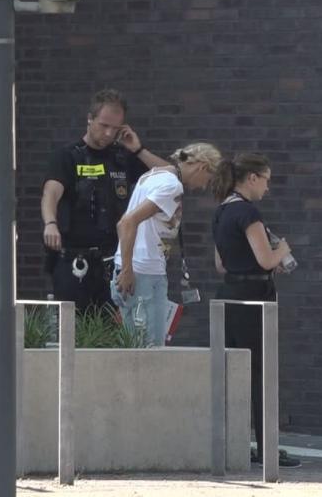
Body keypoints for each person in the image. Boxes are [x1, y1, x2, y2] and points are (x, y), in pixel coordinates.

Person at [40, 89, 169, 317]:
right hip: (74, 258)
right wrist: (50, 222)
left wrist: (138, 150)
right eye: (103, 125)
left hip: (112, 259)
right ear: (89, 119)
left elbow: (169, 176)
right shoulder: (68, 156)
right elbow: (51, 192)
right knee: (74, 326)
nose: (109, 133)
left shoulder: (123, 157)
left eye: (116, 128)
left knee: (114, 327)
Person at [211, 154, 301, 469]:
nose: (267, 187)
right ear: (251, 178)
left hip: (230, 296)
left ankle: (235, 445)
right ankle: (266, 449)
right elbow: (265, 260)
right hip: (256, 297)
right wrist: (283, 251)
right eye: (265, 180)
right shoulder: (248, 212)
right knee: (261, 373)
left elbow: (220, 265)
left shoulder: (221, 212)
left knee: (234, 371)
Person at [111, 142, 222, 347]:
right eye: (208, 179)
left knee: (137, 345)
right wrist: (128, 269)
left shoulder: (155, 175)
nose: (203, 186)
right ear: (202, 167)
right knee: (150, 348)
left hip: (140, 267)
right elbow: (127, 222)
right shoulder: (172, 185)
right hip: (143, 270)